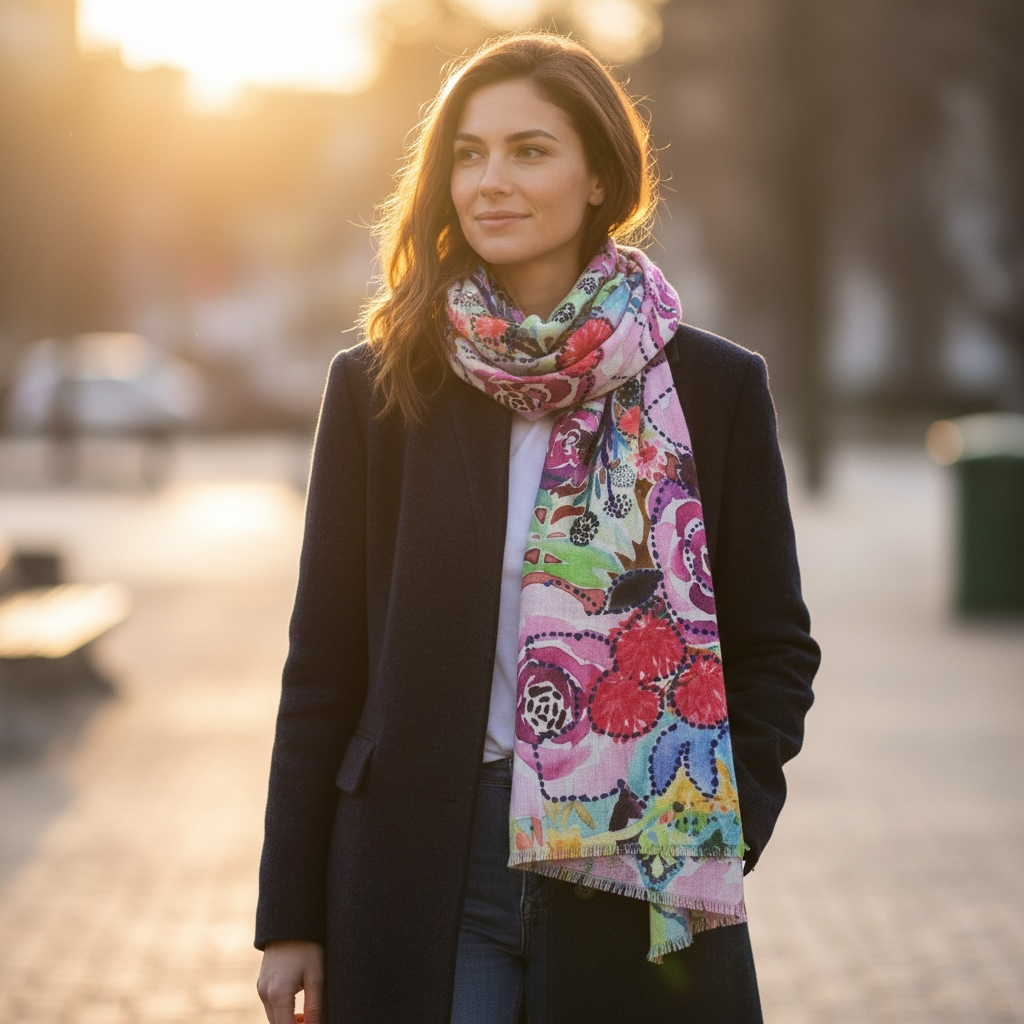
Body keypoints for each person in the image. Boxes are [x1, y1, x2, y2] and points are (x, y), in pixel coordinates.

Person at [256, 31, 819, 1024]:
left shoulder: (716, 388)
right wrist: (289, 913)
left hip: (638, 868)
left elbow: (774, 646)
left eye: (528, 150)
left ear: (600, 176)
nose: (489, 181)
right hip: (423, 859)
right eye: (467, 154)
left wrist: (719, 827)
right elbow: (323, 666)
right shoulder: (382, 388)